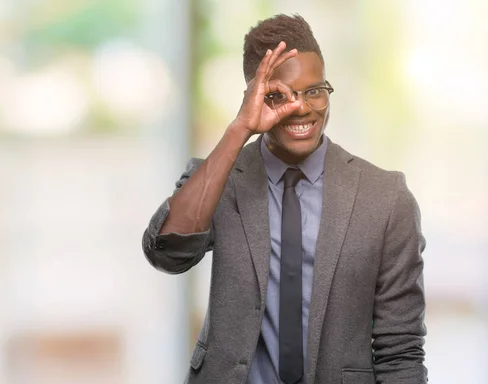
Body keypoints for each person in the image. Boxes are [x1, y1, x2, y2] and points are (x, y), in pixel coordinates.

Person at [141, 13, 427, 384]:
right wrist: (239, 128)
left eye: (315, 91)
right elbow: (166, 253)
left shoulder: (386, 198)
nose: (301, 108)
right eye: (279, 96)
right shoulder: (218, 179)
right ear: (255, 96)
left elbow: (401, 348)